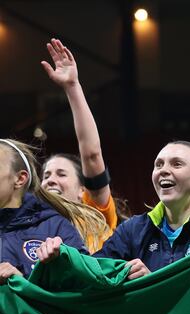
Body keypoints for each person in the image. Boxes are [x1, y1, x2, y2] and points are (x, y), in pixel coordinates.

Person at [40, 38, 124, 251]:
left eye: (61, 174)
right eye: (46, 175)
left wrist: (72, 86)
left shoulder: (94, 213)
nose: (50, 180)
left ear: (82, 190)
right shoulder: (28, 225)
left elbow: (92, 155)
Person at [89, 141, 190, 278]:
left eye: (177, 164)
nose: (163, 170)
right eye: (159, 165)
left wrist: (151, 281)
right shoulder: (133, 230)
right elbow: (93, 271)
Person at [0, 138, 88, 283]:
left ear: (20, 179)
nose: (52, 179)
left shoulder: (56, 227)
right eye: (47, 175)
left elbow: (83, 288)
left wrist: (22, 282)